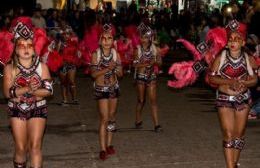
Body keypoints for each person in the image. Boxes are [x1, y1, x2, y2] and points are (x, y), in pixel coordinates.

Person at [2, 17, 53, 168]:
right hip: (16, 110)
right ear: (15, 49)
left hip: (38, 108)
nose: (25, 48)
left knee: (35, 147)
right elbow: (7, 93)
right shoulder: (9, 68)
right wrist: (27, 89)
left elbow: (49, 90)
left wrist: (33, 91)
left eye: (29, 45)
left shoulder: (43, 67)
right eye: (21, 45)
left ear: (34, 47)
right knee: (21, 148)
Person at [209, 21, 257, 168]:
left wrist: (244, 84)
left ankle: (234, 163)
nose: (233, 42)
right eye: (230, 39)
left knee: (239, 133)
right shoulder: (220, 57)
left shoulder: (248, 58)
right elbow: (211, 78)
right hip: (224, 99)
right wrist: (230, 82)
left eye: (237, 39)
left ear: (243, 42)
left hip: (243, 99)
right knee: (228, 134)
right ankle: (230, 166)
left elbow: (255, 79)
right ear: (226, 43)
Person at [90, 24, 123, 160]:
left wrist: (116, 69)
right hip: (101, 88)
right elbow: (93, 74)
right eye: (104, 38)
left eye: (109, 38)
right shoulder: (96, 54)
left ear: (113, 40)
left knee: (112, 116)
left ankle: (109, 145)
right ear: (99, 40)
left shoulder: (116, 54)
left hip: (114, 87)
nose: (107, 41)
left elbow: (120, 74)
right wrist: (107, 68)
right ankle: (102, 149)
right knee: (104, 118)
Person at [133, 23, 162, 132]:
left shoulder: (156, 49)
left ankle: (156, 125)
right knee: (141, 100)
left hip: (152, 76)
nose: (143, 39)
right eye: (141, 37)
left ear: (150, 38)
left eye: (145, 37)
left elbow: (160, 63)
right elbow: (134, 64)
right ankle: (137, 119)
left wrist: (156, 62)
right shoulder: (137, 50)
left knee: (153, 101)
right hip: (140, 76)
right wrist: (146, 64)